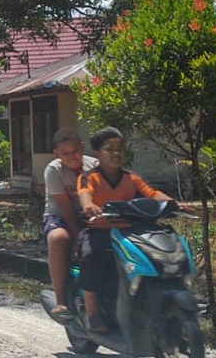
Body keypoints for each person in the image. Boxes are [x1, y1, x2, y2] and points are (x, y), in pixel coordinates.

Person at [76, 126, 190, 333]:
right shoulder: (89, 177)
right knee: (92, 256)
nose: (116, 153)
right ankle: (92, 313)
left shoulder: (132, 178)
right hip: (99, 230)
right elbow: (85, 193)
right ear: (97, 153)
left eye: (119, 148)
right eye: (109, 149)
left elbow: (152, 193)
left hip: (130, 231)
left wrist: (175, 204)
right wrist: (88, 205)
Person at [41, 129, 97, 316]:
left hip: (89, 214)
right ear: (56, 154)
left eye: (75, 151)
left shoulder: (94, 166)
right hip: (60, 216)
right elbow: (65, 208)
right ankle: (61, 301)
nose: (71, 157)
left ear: (82, 148)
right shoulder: (53, 170)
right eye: (65, 153)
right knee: (58, 238)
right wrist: (76, 238)